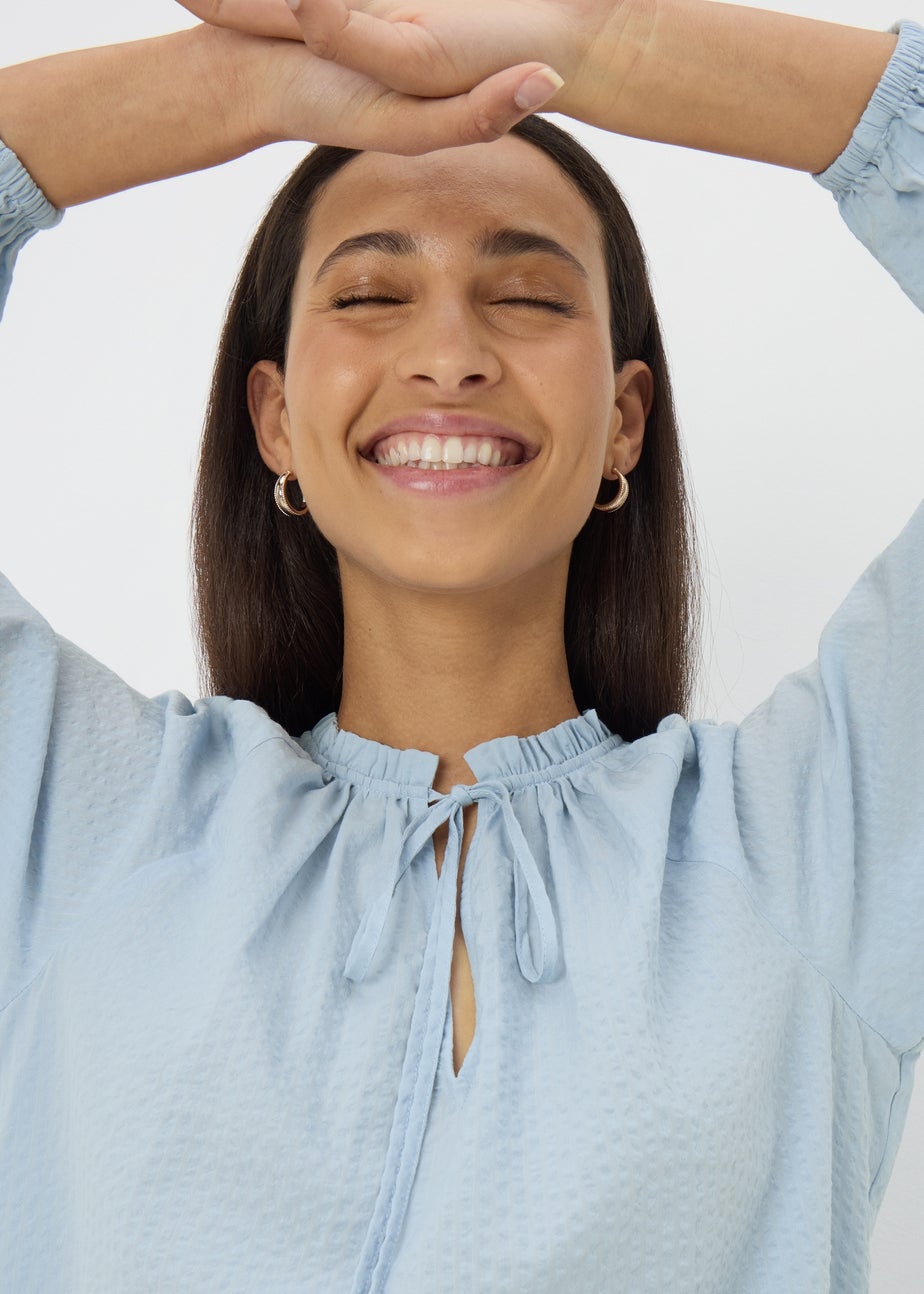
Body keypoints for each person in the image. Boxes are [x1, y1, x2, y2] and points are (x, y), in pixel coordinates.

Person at [0, 2, 921, 1290]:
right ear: (272, 421)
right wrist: (272, 79)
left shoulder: (821, 844)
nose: (448, 355)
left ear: (624, 421)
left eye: (532, 293)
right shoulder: (71, 828)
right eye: (373, 293)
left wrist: (580, 39)